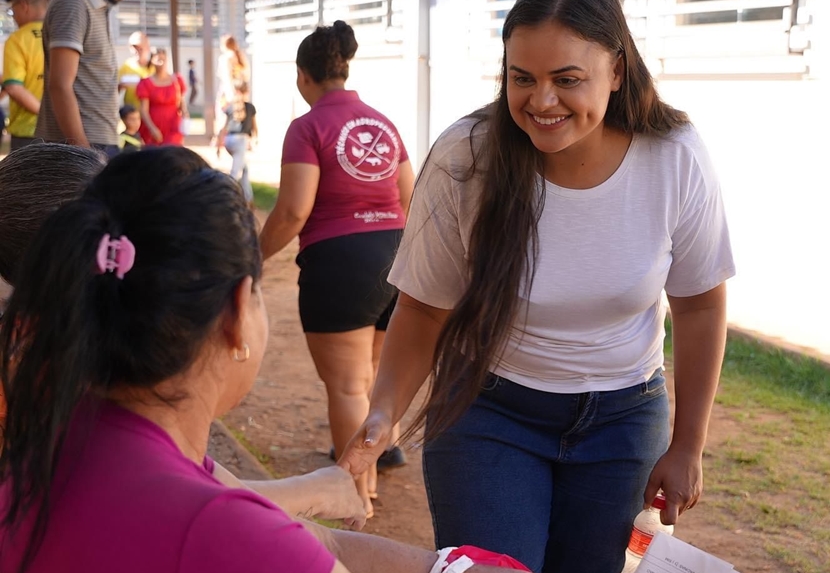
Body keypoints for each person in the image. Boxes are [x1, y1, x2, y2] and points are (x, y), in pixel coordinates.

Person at [340, 0, 735, 573]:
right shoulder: (465, 158)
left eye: (567, 79)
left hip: (624, 421)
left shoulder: (674, 154)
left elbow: (701, 303)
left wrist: (687, 444)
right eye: (521, 77)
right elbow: (423, 308)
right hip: (486, 412)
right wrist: (382, 411)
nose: (541, 101)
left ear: (618, 71)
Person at [0, 146, 526, 573]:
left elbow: (308, 541)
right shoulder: (219, 528)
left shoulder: (65, 439)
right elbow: (277, 541)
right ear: (236, 310)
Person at [258, 20, 415, 520]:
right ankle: (370, 473)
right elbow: (410, 199)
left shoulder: (307, 127)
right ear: (344, 70)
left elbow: (292, 211)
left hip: (340, 262)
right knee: (369, 382)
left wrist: (250, 256)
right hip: (396, 255)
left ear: (304, 77)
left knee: (348, 388)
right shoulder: (383, 123)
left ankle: (359, 495)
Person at [34, 0, 165, 158]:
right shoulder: (74, 2)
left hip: (97, 141)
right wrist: (84, 153)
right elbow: (60, 85)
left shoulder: (94, 3)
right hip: (80, 146)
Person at [1, 0, 51, 152]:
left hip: (28, 132)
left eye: (12, 9)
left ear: (23, 5)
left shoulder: (17, 40)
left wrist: (45, 114)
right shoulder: (63, 33)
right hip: (64, 128)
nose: (13, 16)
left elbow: (14, 87)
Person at [136, 47, 188, 146]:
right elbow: (143, 110)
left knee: (173, 153)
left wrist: (185, 114)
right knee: (154, 156)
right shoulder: (145, 83)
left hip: (173, 124)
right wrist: (152, 128)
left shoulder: (177, 80)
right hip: (153, 124)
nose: (161, 62)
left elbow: (181, 101)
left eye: (163, 59)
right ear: (151, 61)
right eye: (158, 59)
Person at [216, 81, 257, 203]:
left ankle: (248, 199)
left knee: (244, 170)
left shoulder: (231, 106)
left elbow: (224, 128)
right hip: (241, 141)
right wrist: (255, 138)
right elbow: (254, 126)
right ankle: (225, 198)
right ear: (246, 91)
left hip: (229, 140)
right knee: (235, 173)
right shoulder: (250, 107)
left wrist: (219, 145)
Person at [214, 34, 248, 130]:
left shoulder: (225, 58)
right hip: (241, 92)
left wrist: (230, 94)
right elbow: (246, 75)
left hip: (228, 92)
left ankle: (222, 139)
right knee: (239, 116)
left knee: (223, 116)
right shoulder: (240, 57)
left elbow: (226, 77)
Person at [118, 31, 153, 111]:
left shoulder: (154, 67)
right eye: (134, 48)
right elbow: (113, 89)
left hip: (149, 113)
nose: (136, 51)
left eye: (140, 48)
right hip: (131, 115)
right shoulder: (126, 66)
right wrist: (119, 87)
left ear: (148, 48)